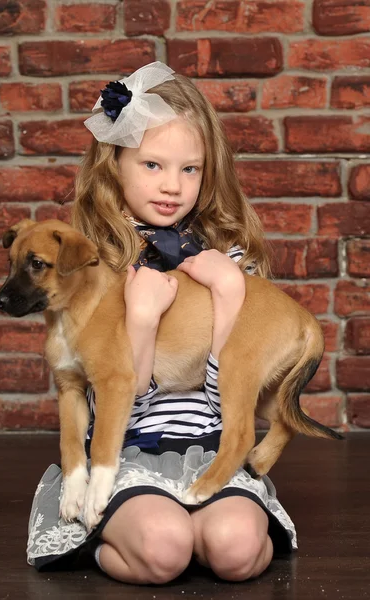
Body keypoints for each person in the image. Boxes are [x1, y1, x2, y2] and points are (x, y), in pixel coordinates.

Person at [27, 62, 297, 583]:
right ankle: (96, 542)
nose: (172, 186)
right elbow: (103, 398)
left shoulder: (230, 260)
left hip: (211, 446)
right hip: (129, 449)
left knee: (236, 550)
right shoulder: (91, 265)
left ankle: (216, 527)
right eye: (152, 165)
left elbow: (235, 400)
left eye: (189, 169)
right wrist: (144, 320)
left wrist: (229, 288)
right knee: (164, 549)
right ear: (115, 163)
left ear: (208, 170)